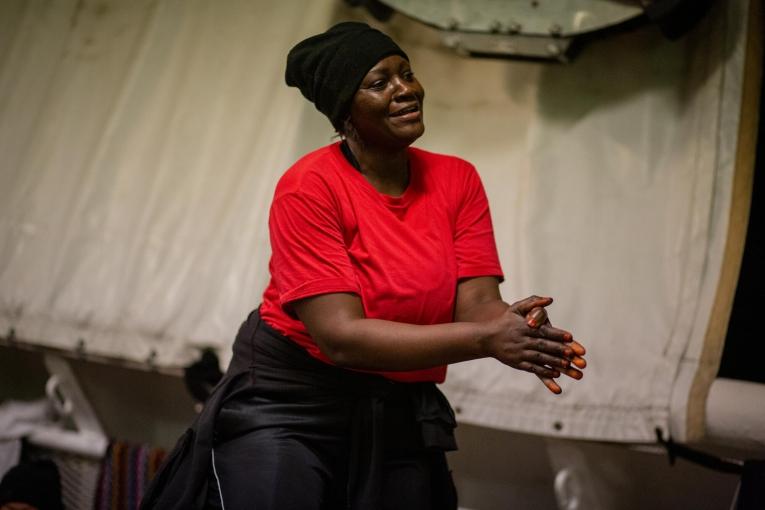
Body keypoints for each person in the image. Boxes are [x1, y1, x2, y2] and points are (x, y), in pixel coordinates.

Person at [140, 21, 585, 510]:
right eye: (380, 83)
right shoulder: (310, 187)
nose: (406, 90)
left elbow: (477, 303)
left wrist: (512, 327)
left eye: (407, 74)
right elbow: (342, 337)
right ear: (345, 113)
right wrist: (486, 340)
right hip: (292, 402)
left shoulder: (458, 179)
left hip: (393, 404)